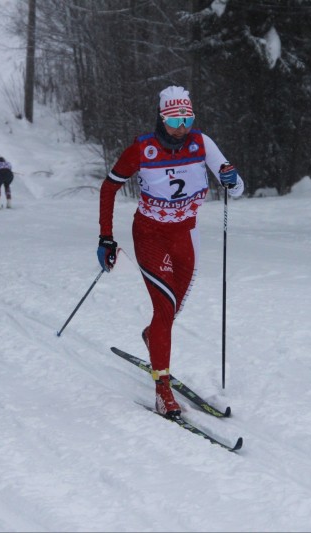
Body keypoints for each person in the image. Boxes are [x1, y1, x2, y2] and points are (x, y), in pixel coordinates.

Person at [96, 85, 244, 417]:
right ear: (162, 118)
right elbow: (109, 186)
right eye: (175, 119)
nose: (182, 126)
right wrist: (106, 237)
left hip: (186, 235)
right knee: (164, 308)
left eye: (187, 118)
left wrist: (231, 179)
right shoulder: (142, 149)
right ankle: (162, 391)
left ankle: (153, 336)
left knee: (173, 307)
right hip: (150, 233)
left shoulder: (201, 143)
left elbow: (236, 187)